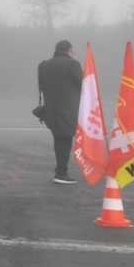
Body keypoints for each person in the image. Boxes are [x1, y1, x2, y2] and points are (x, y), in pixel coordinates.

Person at [37, 39, 83, 184]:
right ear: (69, 50)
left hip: (50, 110)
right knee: (65, 141)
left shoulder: (44, 65)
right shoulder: (73, 64)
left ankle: (60, 171)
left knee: (59, 140)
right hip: (68, 110)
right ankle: (61, 173)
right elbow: (83, 85)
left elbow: (42, 87)